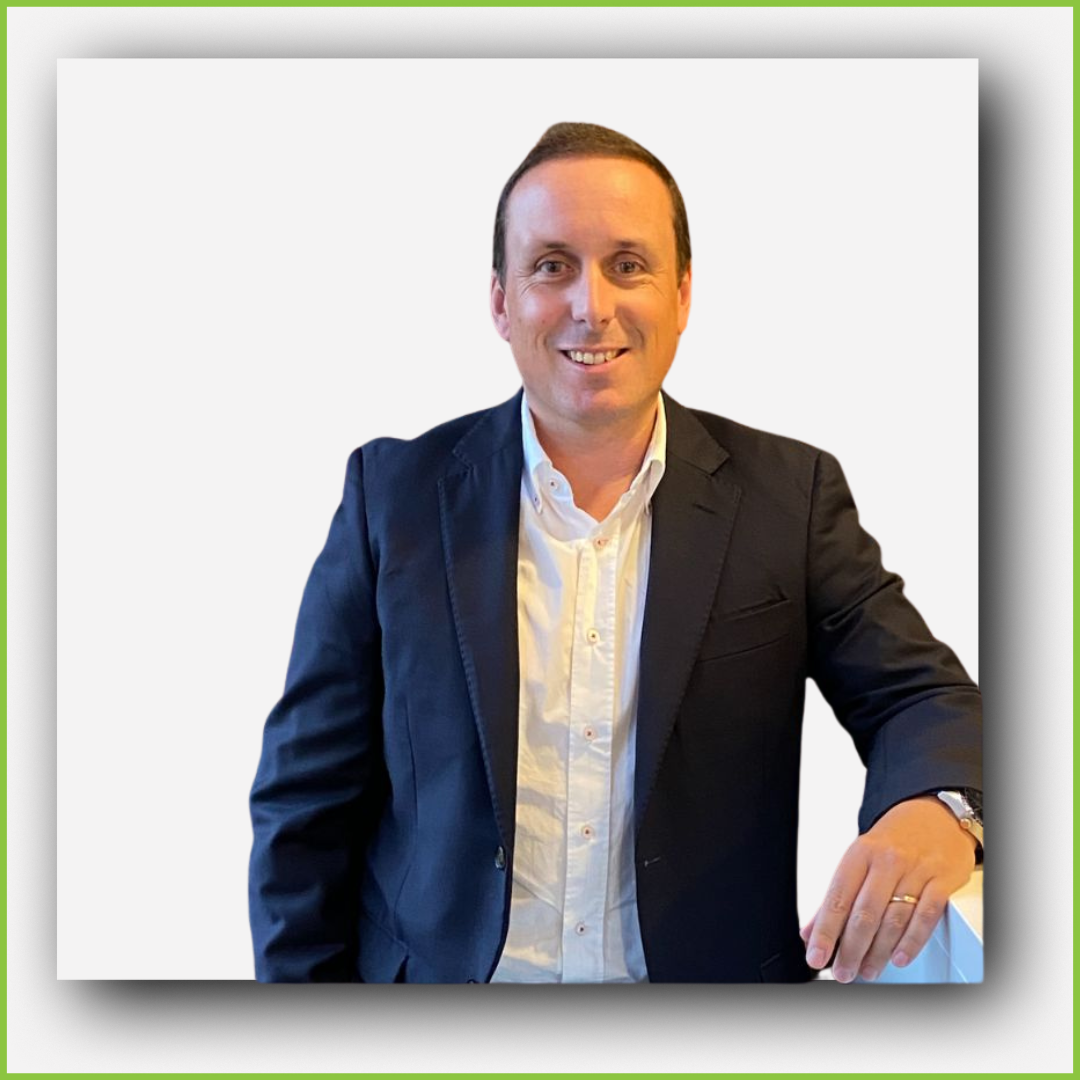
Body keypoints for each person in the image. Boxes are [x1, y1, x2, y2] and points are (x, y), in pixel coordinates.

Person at [248, 122, 982, 984]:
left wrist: (938, 807)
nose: (591, 306)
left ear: (683, 293)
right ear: (501, 301)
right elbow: (306, 803)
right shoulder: (394, 499)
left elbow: (921, 696)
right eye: (552, 266)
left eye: (627, 265)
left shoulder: (789, 497)